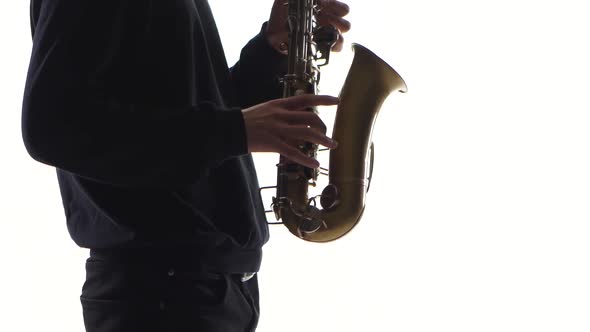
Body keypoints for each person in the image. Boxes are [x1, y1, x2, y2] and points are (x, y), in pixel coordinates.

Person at [21, 0, 351, 331]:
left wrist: (271, 51)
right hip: (161, 291)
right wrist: (233, 130)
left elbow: (190, 105)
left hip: (203, 290)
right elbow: (52, 125)